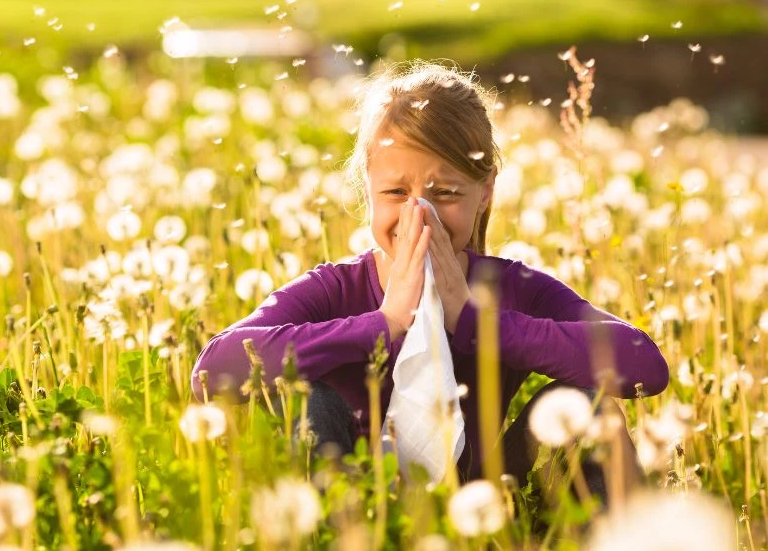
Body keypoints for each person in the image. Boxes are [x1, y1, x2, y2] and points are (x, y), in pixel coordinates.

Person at [191, 62, 669, 499]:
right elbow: (211, 372)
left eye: (445, 193)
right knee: (306, 401)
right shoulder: (335, 289)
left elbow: (644, 365)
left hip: (484, 501)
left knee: (588, 405)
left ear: (485, 192)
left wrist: (477, 323)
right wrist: (383, 324)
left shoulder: (510, 287)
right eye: (396, 192)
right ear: (367, 189)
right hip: (351, 500)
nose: (419, 214)